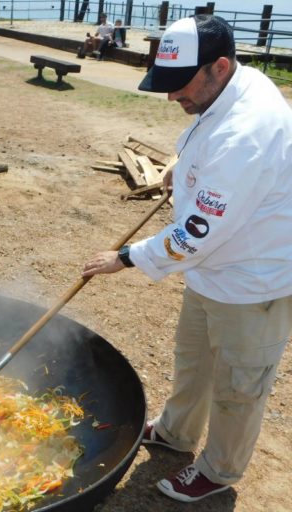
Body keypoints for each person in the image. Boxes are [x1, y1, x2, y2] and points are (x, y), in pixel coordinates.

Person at [81, 15, 292, 503]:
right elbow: (206, 139)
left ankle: (218, 470)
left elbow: (197, 232)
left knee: (239, 384)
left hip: (252, 279)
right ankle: (176, 433)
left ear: (219, 66)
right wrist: (186, 165)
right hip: (211, 271)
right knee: (193, 359)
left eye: (180, 86)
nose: (174, 97)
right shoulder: (231, 85)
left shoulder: (249, 134)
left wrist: (128, 257)